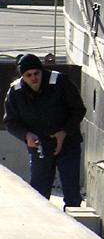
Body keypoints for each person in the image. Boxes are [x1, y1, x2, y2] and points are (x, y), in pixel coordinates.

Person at [3, 54, 86, 207]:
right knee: (39, 193)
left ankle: (73, 216)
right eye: (28, 75)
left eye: (36, 73)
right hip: (40, 146)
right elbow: (11, 122)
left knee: (72, 192)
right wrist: (26, 135)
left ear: (42, 71)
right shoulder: (15, 91)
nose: (33, 78)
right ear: (23, 76)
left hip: (67, 143)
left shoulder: (60, 82)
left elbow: (78, 110)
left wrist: (64, 132)